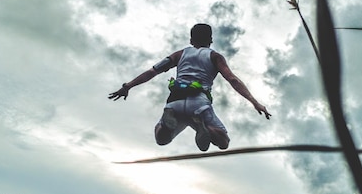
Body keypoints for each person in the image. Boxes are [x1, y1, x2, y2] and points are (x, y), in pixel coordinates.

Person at [108, 23, 271, 152]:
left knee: (161, 139)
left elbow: (153, 71)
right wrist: (254, 102)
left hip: (175, 101)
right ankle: (203, 127)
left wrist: (128, 86)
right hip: (199, 103)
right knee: (223, 142)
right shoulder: (215, 57)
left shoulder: (180, 54)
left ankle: (167, 122)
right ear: (211, 40)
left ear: (191, 40)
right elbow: (233, 80)